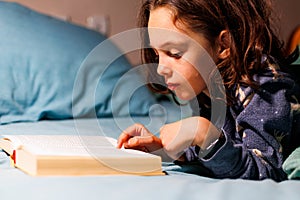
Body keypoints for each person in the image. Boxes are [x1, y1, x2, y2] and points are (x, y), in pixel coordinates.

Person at [117, 0, 300, 181]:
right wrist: (165, 150)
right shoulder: (206, 85)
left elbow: (264, 171)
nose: (160, 69)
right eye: (158, 55)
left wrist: (203, 134)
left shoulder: (266, 89)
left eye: (174, 53)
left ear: (223, 45)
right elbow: (221, 147)